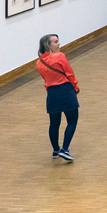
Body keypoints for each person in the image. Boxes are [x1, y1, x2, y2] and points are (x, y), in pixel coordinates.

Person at [36, 34, 79, 162]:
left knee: (54, 123)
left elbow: (45, 79)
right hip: (65, 90)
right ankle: (65, 149)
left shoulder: (39, 62)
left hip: (51, 93)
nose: (59, 44)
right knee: (72, 120)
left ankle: (55, 150)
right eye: (55, 42)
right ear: (48, 45)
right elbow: (69, 73)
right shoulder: (60, 56)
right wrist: (75, 87)